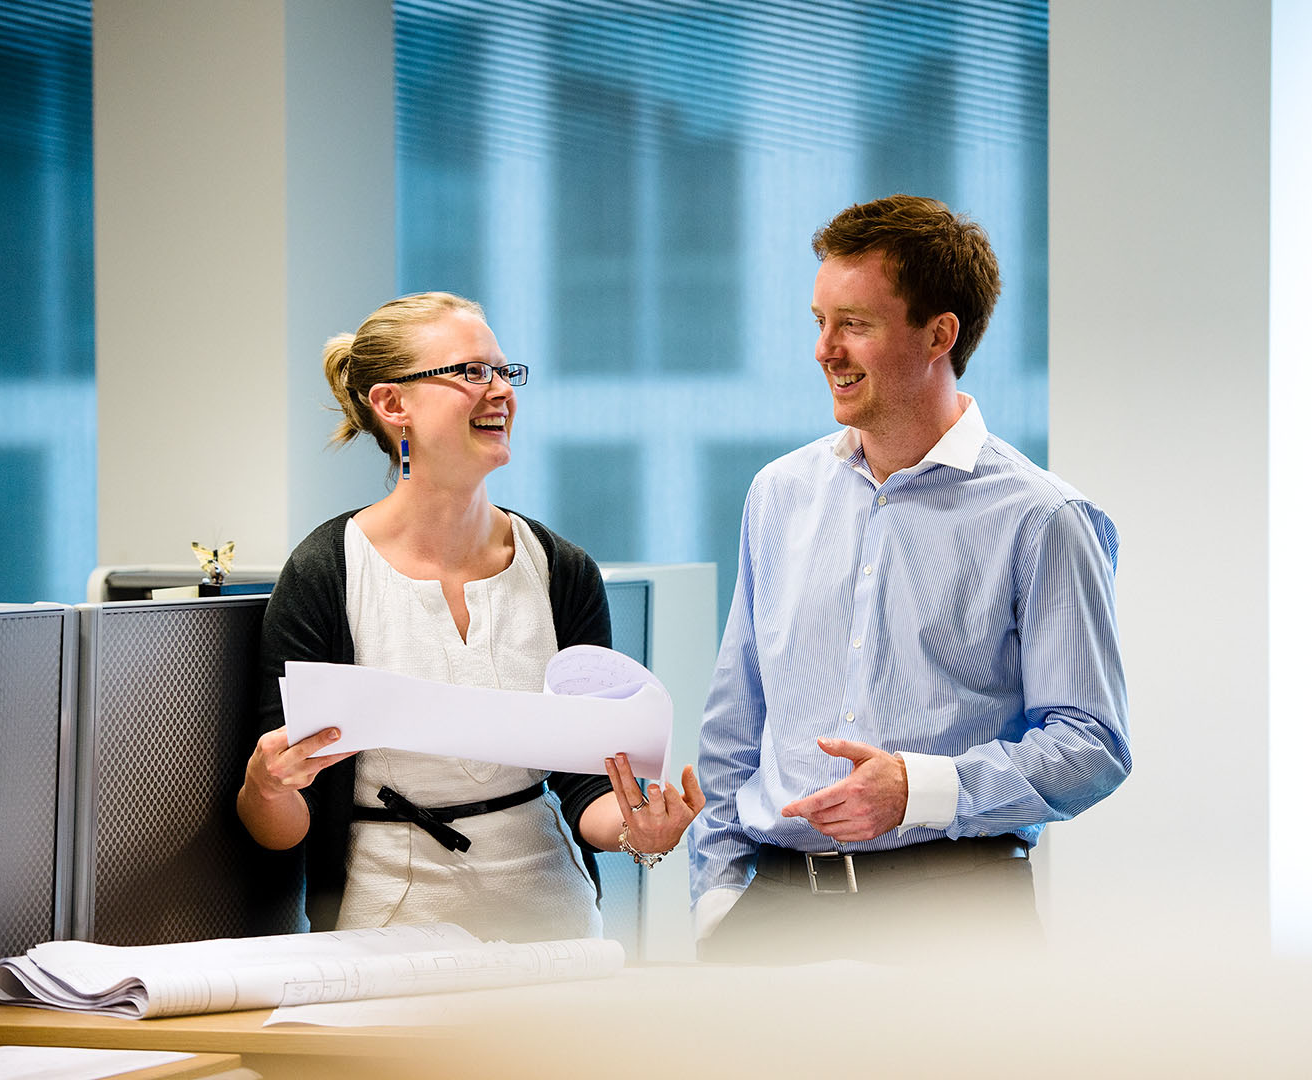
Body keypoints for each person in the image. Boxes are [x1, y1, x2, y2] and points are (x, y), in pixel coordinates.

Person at [688, 195, 1131, 963]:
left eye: (854, 324)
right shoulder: (778, 493)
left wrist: (919, 789)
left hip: (952, 916)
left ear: (938, 334)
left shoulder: (1043, 518)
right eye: (818, 321)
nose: (824, 349)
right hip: (774, 911)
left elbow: (1090, 745)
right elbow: (738, 715)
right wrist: (719, 895)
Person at [237, 291, 704, 941]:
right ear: (392, 403)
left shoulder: (560, 569)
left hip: (552, 921)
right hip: (385, 926)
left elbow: (583, 787)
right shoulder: (325, 572)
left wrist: (637, 828)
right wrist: (266, 787)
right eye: (469, 372)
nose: (499, 392)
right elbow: (284, 826)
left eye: (503, 372)